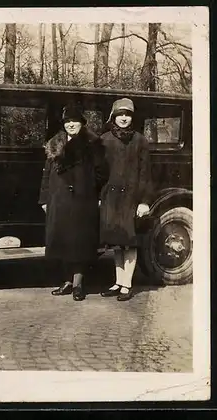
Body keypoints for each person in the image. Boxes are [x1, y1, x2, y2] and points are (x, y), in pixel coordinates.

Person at [39, 104, 109, 301]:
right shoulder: (55, 144)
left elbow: (102, 173)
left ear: (82, 123)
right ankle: (67, 281)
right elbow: (46, 175)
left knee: (79, 244)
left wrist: (90, 190)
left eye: (74, 121)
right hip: (58, 201)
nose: (71, 124)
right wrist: (45, 199)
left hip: (82, 201)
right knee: (62, 243)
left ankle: (78, 284)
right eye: (67, 121)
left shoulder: (92, 145)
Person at [99, 98, 153, 301]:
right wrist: (99, 196)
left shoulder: (140, 141)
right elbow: (99, 172)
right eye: (120, 114)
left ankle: (127, 284)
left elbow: (146, 173)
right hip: (111, 198)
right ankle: (118, 281)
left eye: (127, 115)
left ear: (132, 117)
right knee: (116, 243)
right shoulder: (104, 140)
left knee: (129, 242)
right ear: (113, 117)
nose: (124, 118)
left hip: (131, 198)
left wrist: (144, 201)